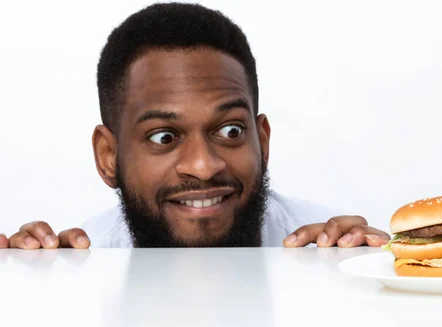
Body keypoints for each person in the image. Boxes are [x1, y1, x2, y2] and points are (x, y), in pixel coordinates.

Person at [0, 2, 390, 250]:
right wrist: (30, 288)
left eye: (231, 131)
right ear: (108, 157)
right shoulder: (81, 264)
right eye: (163, 137)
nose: (204, 166)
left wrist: (383, 282)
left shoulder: (332, 254)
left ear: (262, 141)